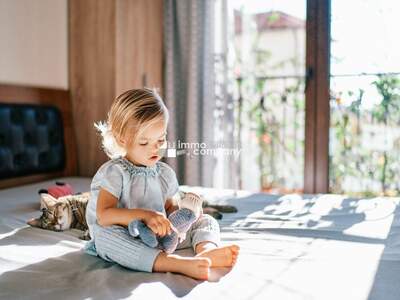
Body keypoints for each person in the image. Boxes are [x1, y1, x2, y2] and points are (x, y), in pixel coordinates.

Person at [84, 88, 239, 280]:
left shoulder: (165, 173)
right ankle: (173, 263)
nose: (156, 147)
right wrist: (146, 216)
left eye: (161, 139)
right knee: (105, 239)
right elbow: (104, 216)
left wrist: (183, 218)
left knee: (206, 221)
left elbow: (169, 208)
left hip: (160, 237)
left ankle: (205, 250)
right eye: (144, 142)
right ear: (121, 139)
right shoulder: (114, 172)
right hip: (126, 233)